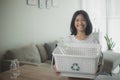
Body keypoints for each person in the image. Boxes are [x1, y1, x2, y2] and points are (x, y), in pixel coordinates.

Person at [53, 10, 103, 77]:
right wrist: (56, 65)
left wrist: (98, 67)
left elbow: (99, 61)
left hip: (88, 76)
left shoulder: (94, 41)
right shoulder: (67, 40)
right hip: (70, 75)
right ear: (73, 23)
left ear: (87, 22)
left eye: (83, 20)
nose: (80, 23)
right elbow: (60, 57)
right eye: (77, 20)